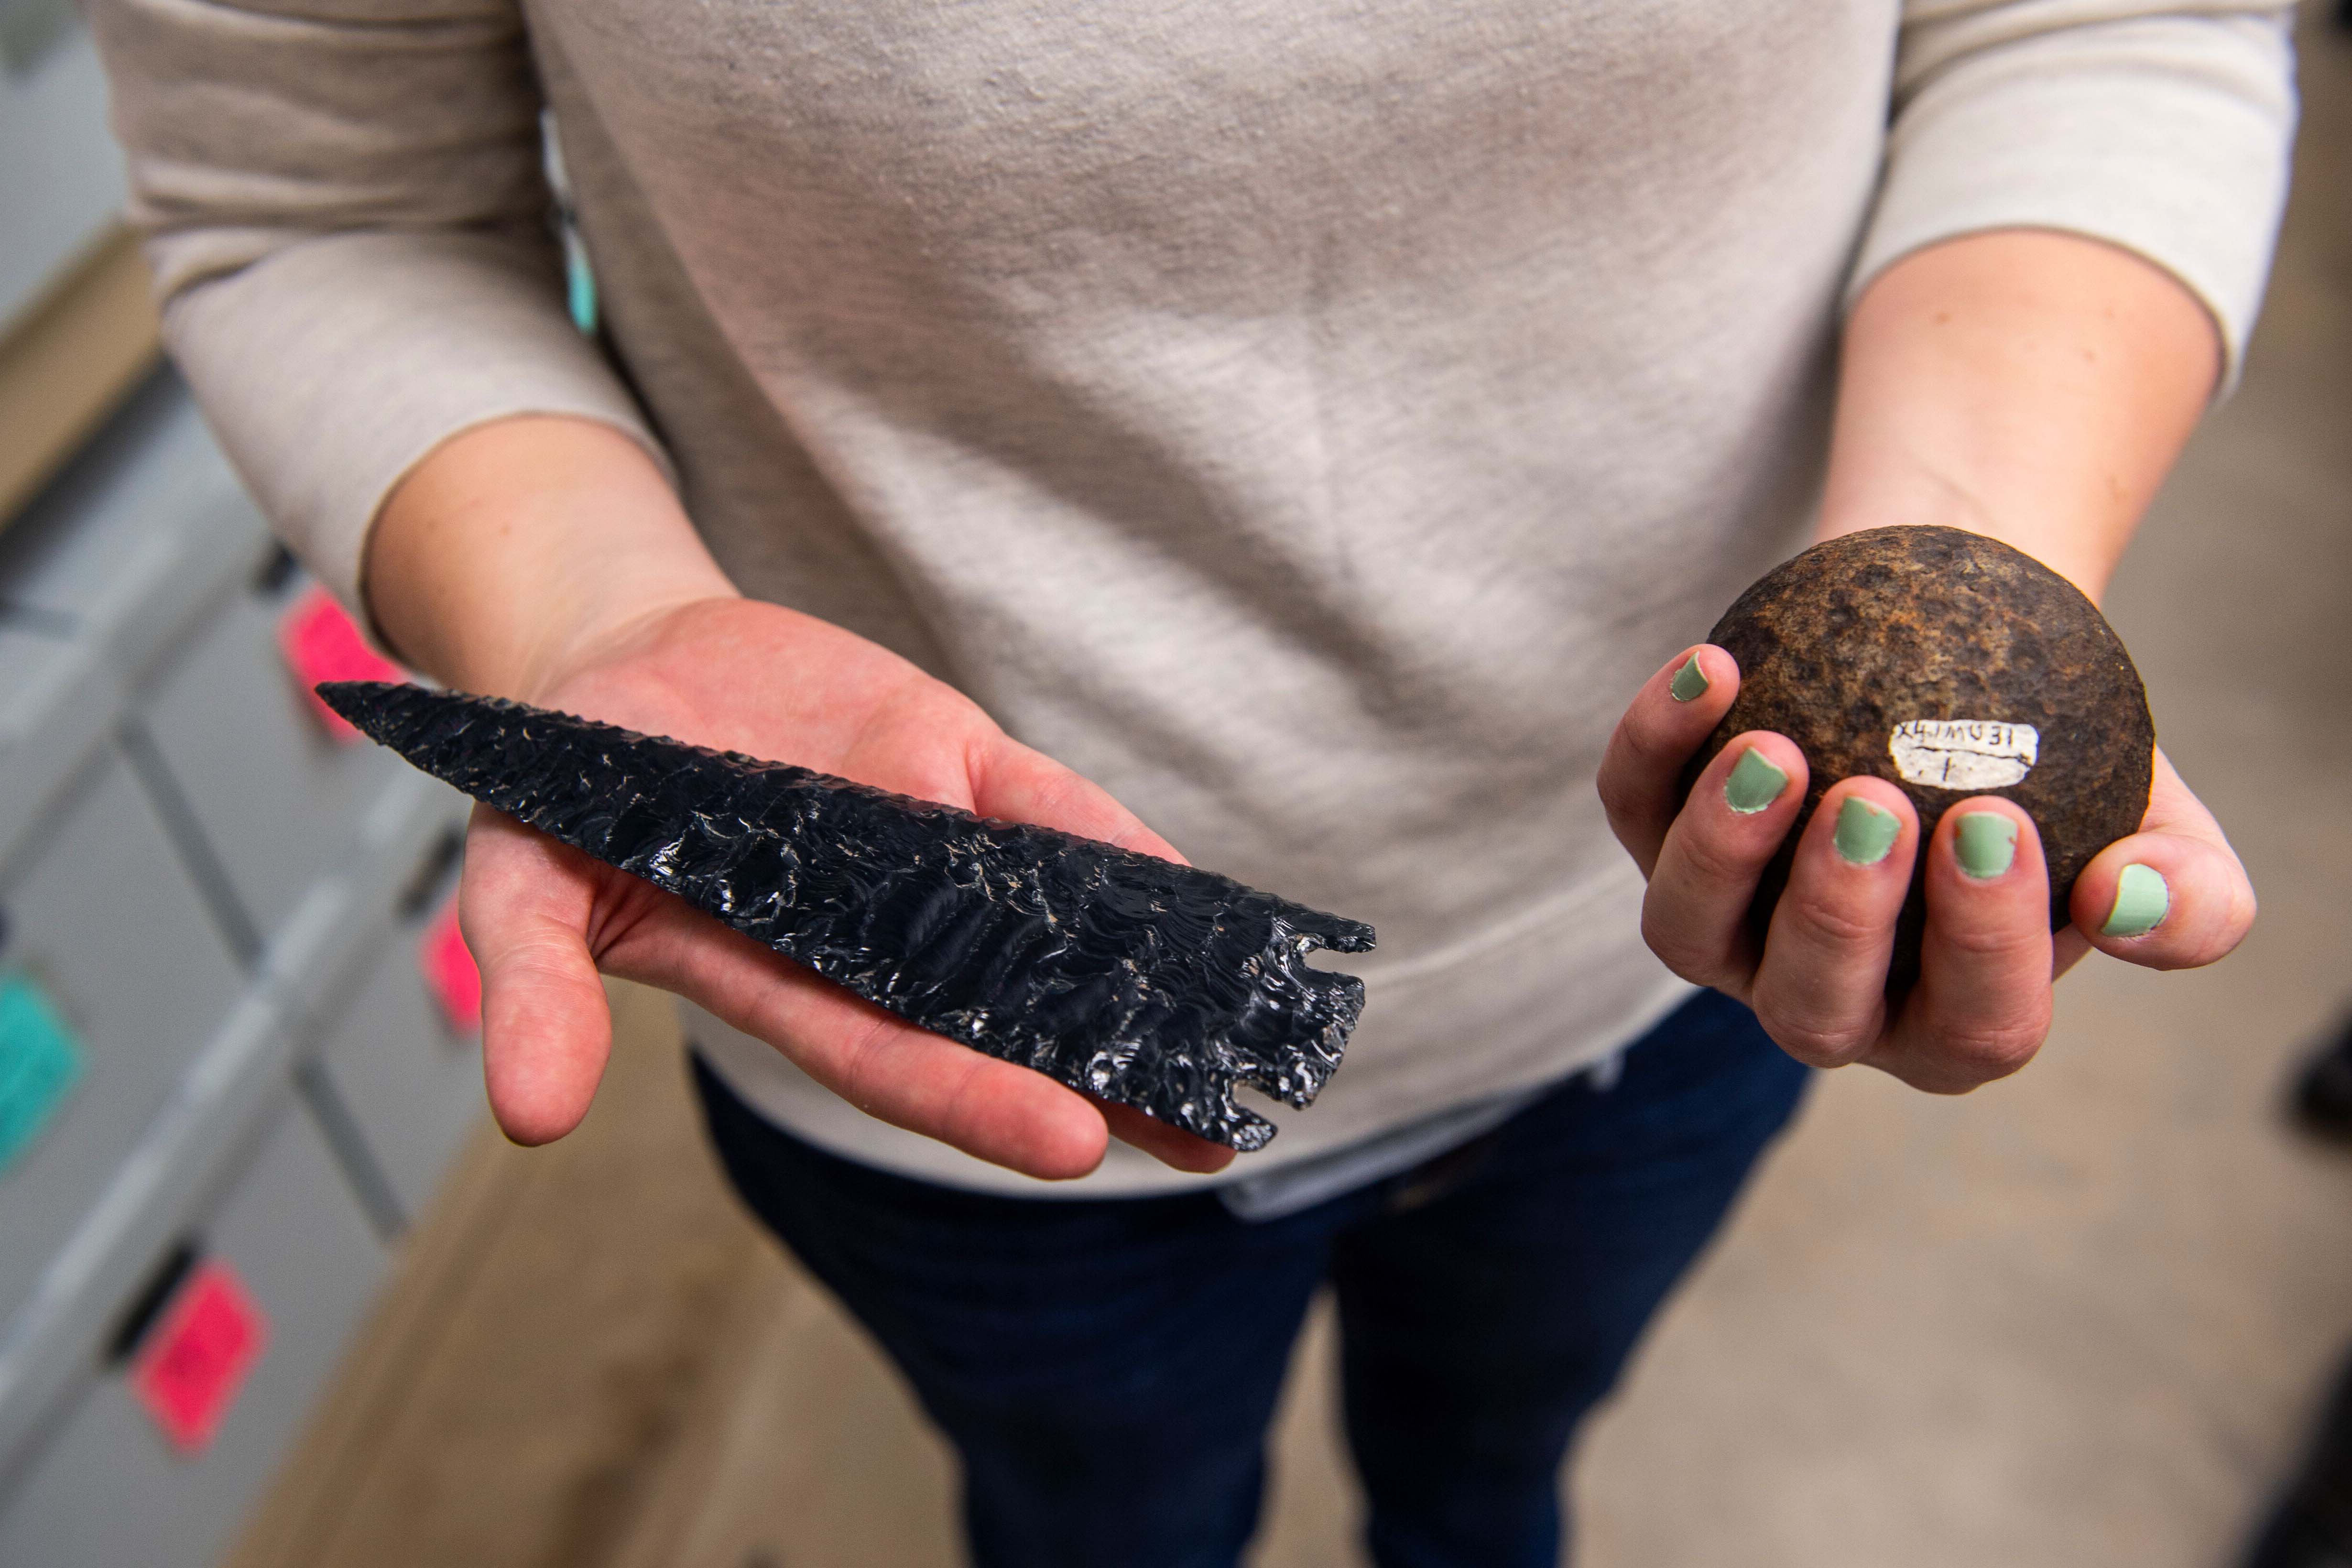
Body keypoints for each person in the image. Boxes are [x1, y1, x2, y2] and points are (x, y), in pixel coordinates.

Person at [89, 2, 2282, 1562]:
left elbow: (2091, 21)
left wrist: (1959, 594)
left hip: (1675, 952)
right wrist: (580, 627)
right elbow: (319, 193)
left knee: (1499, 1460)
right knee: (1100, 1518)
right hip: (980, 1017)